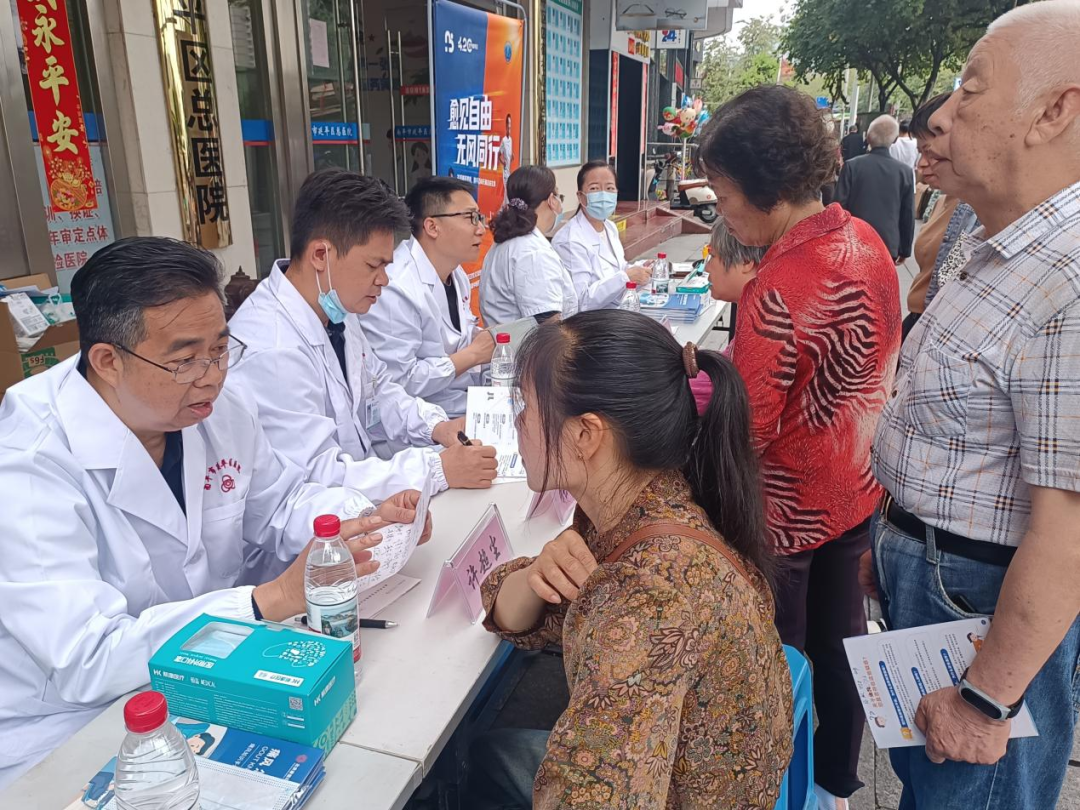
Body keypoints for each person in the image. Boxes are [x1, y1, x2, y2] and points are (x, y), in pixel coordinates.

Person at [0, 237, 427, 788]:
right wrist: (266, 600)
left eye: (221, 349)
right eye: (185, 360)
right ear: (108, 361)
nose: (212, 376)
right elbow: (87, 657)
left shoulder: (213, 406)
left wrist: (365, 517)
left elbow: (279, 502)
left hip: (207, 676)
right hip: (70, 726)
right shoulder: (29, 463)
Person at [865, 3, 1080, 807]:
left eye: (971, 89)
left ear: (1055, 111)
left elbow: (1069, 528)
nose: (944, 116)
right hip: (936, 576)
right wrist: (895, 531)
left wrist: (989, 700)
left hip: (982, 607)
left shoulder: (1068, 277)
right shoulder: (998, 241)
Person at [471, 309, 792, 809]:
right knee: (490, 754)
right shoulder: (653, 501)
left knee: (482, 759)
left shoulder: (646, 598)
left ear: (586, 434)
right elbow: (505, 607)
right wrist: (535, 573)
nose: (517, 422)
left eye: (527, 406)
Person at [698, 84, 902, 810]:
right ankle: (837, 783)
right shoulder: (865, 242)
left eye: (724, 194)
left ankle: (777, 787)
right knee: (842, 645)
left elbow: (746, 428)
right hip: (855, 489)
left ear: (767, 187)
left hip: (784, 514)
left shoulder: (779, 285)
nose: (722, 211)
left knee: (775, 661)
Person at [229, 169, 497, 503]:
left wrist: (436, 427)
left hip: (361, 495)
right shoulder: (272, 349)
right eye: (374, 266)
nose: (384, 279)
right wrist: (435, 468)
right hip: (319, 518)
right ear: (320, 255)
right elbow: (318, 475)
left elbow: (379, 388)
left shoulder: (336, 307)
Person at [358, 176, 495, 419]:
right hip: (419, 422)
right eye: (470, 217)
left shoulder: (456, 273)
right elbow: (399, 381)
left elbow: (458, 335)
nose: (481, 229)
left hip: (458, 403)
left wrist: (484, 339)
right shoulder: (395, 286)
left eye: (480, 217)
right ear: (432, 227)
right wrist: (473, 354)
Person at [902, 93, 980, 341]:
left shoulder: (974, 208)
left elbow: (952, 277)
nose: (922, 165)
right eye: (920, 153)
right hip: (920, 319)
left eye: (930, 153)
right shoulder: (942, 200)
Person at [479, 165, 577, 327]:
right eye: (559, 196)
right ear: (551, 200)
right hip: (529, 342)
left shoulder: (509, 242)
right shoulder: (533, 252)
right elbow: (548, 324)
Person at [551, 160, 652, 310]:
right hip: (592, 320)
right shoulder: (570, 240)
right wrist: (626, 277)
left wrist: (641, 268)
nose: (603, 195)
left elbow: (619, 267)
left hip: (618, 310)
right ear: (581, 196)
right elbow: (580, 300)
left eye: (610, 188)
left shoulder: (609, 227)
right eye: (594, 188)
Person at [835, 114, 916, 264]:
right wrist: (905, 249)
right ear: (895, 139)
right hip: (887, 244)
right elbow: (907, 213)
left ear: (868, 137)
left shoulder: (852, 166)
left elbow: (839, 206)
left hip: (855, 242)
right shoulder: (904, 172)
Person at [499, 114, 514, 205]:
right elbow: (499, 154)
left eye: (510, 123)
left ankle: (505, 208)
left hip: (509, 170)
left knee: (508, 193)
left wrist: (512, 156)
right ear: (506, 125)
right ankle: (505, 208)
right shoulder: (504, 140)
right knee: (507, 192)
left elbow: (510, 154)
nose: (509, 125)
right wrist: (502, 162)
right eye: (508, 123)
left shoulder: (510, 140)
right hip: (505, 172)